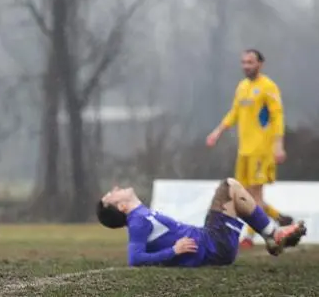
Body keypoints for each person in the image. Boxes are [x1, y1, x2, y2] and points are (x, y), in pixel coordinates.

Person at [97, 178, 306, 267]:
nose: (115, 189)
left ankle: (271, 234)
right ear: (122, 207)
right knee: (229, 186)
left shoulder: (140, 216)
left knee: (231, 189)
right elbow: (135, 258)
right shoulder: (137, 222)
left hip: (211, 242)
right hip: (214, 245)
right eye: (111, 195)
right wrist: (174, 251)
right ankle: (272, 234)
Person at [206, 49, 295, 248]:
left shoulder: (268, 86)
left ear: (260, 64)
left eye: (250, 62)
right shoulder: (242, 87)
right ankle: (278, 217)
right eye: (243, 62)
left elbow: (277, 116)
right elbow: (234, 112)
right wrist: (217, 132)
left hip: (261, 150)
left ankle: (249, 236)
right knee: (243, 195)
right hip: (244, 151)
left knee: (255, 196)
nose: (246, 66)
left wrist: (278, 145)